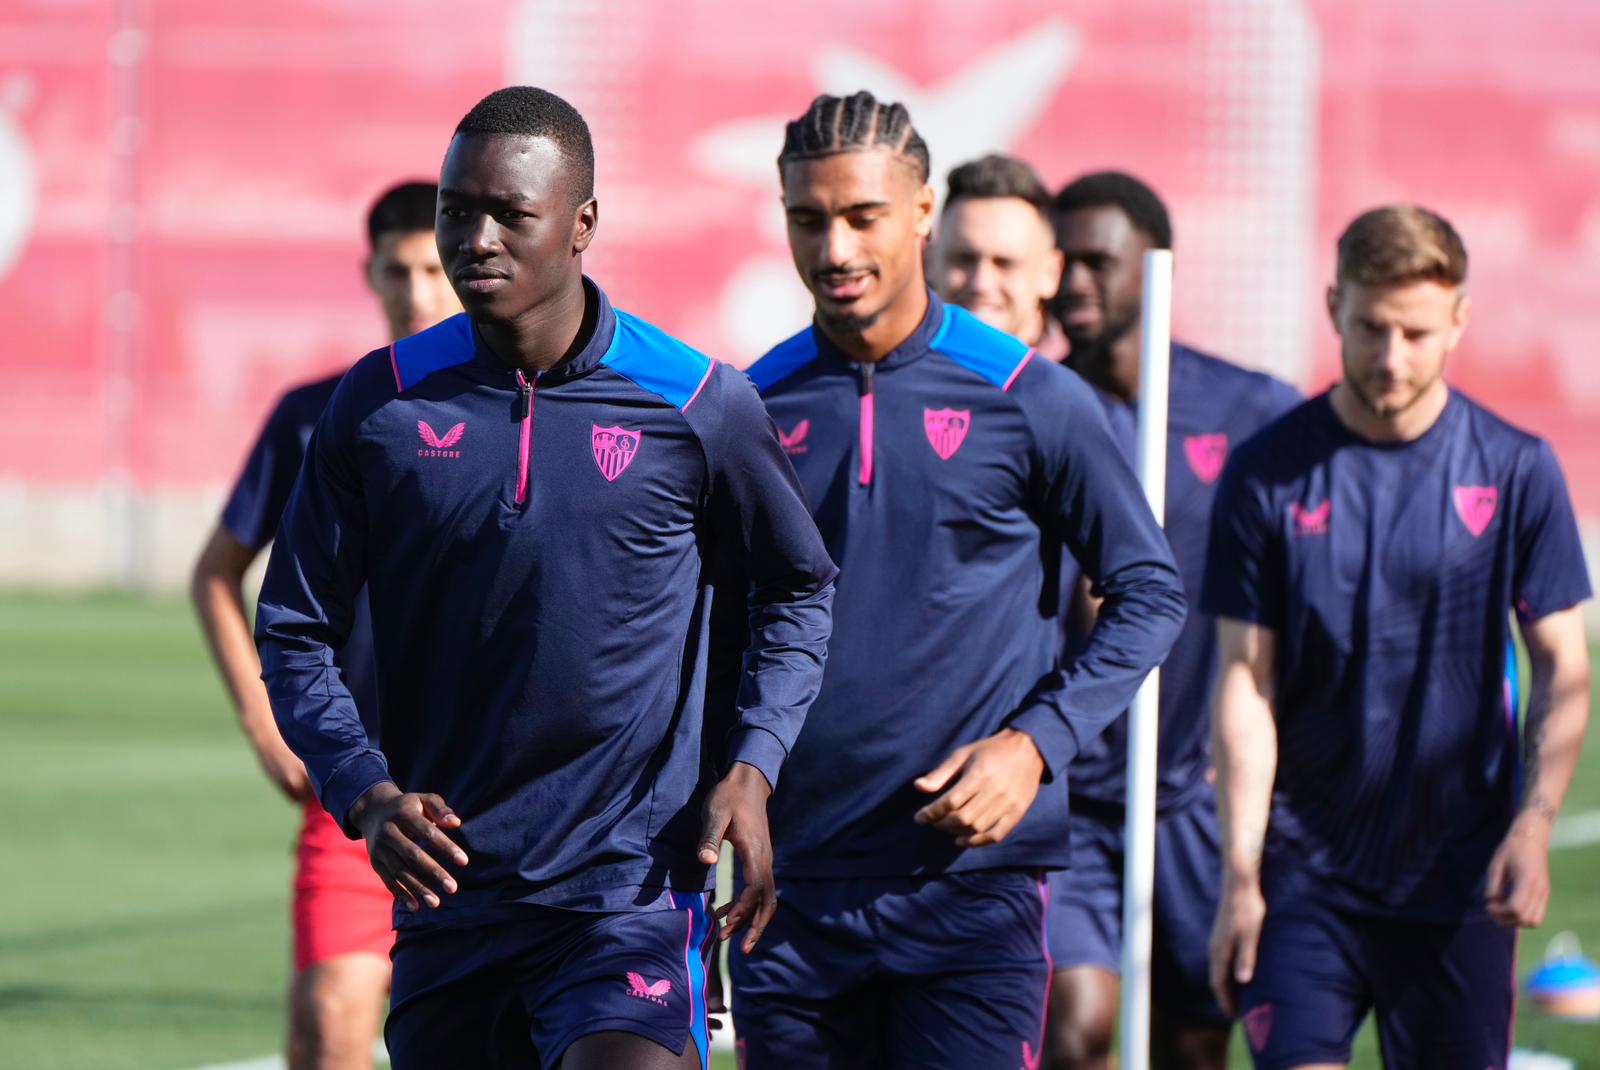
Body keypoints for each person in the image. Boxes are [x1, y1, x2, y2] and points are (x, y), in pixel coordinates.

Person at [254, 86, 837, 1070]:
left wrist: (754, 760)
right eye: (455, 211)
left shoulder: (697, 403)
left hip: (631, 890)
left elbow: (797, 586)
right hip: (449, 892)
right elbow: (295, 626)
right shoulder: (380, 402)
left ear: (581, 225)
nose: (474, 238)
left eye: (509, 214)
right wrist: (366, 794)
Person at [727, 90, 1187, 1070]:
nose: (835, 247)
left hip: (971, 880)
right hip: (790, 887)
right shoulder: (748, 404)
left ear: (923, 213)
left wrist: (1033, 745)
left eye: (862, 216)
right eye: (808, 219)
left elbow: (1149, 591)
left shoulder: (1033, 397)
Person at [1205, 204, 1592, 1070]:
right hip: (1304, 877)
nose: (1391, 357)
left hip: (1459, 882)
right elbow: (1245, 682)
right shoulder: (1267, 471)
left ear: (1458, 319)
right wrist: (1239, 876)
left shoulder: (1515, 468)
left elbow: (1565, 666)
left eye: (1415, 332)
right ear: (1332, 304)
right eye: (1371, 327)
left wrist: (1531, 831)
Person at [190, 179, 460, 1070]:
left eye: (433, 267)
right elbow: (216, 575)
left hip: (484, 786)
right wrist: (262, 717)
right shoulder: (317, 416)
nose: (417, 290)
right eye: (398, 270)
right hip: (355, 788)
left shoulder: (513, 409)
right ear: (370, 274)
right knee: (329, 1025)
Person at [1040, 172, 1300, 1070]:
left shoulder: (1252, 411)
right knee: (1075, 1029)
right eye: (1061, 259)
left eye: (1097, 261)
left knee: (1193, 1044)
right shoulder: (1034, 405)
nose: (1074, 281)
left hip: (1195, 797)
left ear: (1157, 269)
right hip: (1067, 794)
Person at [928, 153, 1066, 359]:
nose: (980, 284)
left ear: (1050, 273)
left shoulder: (1075, 390)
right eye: (963, 259)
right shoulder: (879, 384)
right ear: (930, 262)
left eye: (1005, 263)